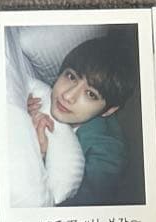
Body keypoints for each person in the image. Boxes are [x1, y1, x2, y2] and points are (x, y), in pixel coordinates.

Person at [25, 37, 137, 207]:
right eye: (71, 76)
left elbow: (68, 210)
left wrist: (43, 157)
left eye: (91, 94)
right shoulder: (51, 95)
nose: (68, 96)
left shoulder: (107, 156)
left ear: (108, 110)